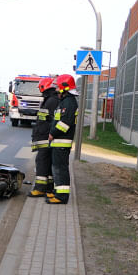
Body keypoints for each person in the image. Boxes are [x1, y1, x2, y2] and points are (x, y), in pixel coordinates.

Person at [46, 74, 79, 205]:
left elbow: (64, 123)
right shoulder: (65, 102)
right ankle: (58, 192)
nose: (56, 90)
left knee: (60, 169)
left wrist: (52, 133)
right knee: (57, 168)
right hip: (58, 142)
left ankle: (62, 197)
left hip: (61, 141)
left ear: (65, 88)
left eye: (58, 87)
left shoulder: (69, 103)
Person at [28, 77, 59, 198]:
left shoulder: (51, 100)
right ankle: (48, 188)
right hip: (44, 136)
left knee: (41, 162)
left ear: (44, 87)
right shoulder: (50, 99)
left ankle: (40, 189)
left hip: (45, 137)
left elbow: (50, 120)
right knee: (46, 162)